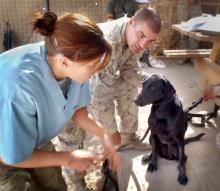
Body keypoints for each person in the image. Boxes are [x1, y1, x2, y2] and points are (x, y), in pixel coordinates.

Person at [0, 11, 120, 191]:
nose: (97, 71)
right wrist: (69, 158)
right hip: (5, 148)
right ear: (64, 62)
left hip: (32, 139)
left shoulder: (68, 60)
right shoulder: (20, 86)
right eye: (92, 66)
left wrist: (104, 135)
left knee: (55, 185)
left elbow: (76, 110)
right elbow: (11, 156)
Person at [90, 7, 161, 147]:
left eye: (150, 41)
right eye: (141, 35)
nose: (143, 45)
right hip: (77, 82)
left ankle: (128, 137)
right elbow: (99, 93)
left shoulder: (134, 39)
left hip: (100, 78)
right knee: (75, 129)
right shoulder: (108, 42)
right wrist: (111, 131)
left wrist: (153, 82)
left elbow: (129, 69)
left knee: (128, 86)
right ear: (132, 21)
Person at [177, 0, 202, 64]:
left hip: (196, 3)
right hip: (183, 3)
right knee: (183, 29)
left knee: (195, 30)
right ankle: (184, 56)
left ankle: (193, 57)